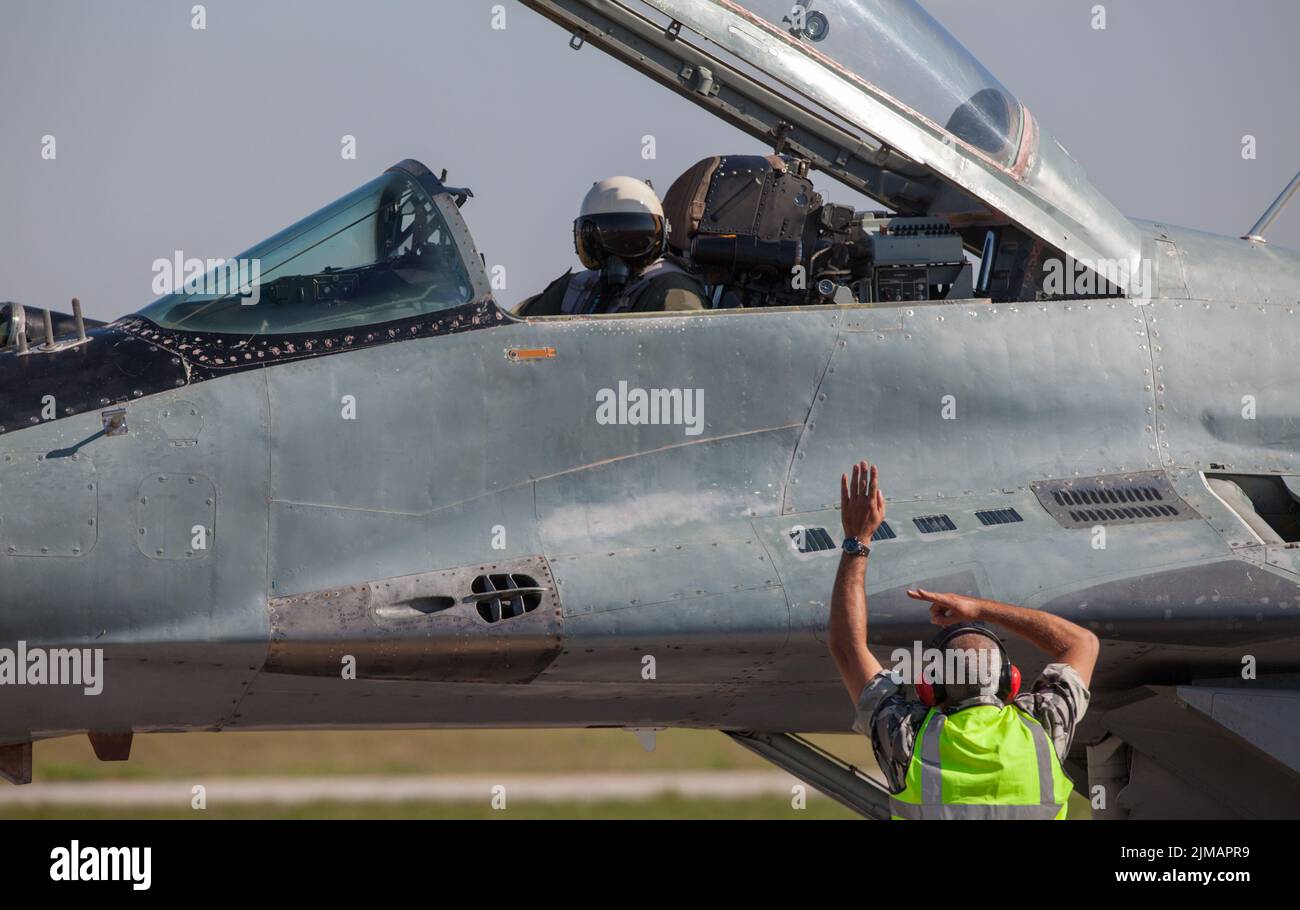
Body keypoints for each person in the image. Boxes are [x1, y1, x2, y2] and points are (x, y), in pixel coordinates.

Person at [827, 461, 1100, 819]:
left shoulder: (907, 739)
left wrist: (857, 540)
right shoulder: (1042, 730)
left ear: (928, 688)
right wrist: (979, 609)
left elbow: (847, 646)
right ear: (1010, 682)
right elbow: (1082, 643)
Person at [515, 177, 706, 316]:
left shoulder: (673, 291)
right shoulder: (576, 289)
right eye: (604, 239)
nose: (615, 254)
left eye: (631, 238)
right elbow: (510, 329)